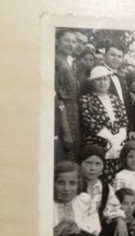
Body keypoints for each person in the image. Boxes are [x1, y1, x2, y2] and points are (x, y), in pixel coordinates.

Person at [79, 66, 128, 183]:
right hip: (97, 144)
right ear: (92, 82)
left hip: (117, 146)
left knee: (117, 178)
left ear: (109, 80)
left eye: (105, 79)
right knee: (99, 178)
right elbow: (88, 120)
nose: (102, 83)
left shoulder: (115, 99)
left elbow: (124, 120)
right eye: (98, 79)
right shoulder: (85, 99)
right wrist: (110, 138)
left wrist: (119, 138)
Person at [55, 29, 80, 161]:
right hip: (62, 117)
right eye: (67, 40)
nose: (71, 44)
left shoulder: (70, 64)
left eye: (73, 41)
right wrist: (66, 131)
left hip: (73, 115)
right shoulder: (55, 62)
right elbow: (58, 99)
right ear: (56, 41)